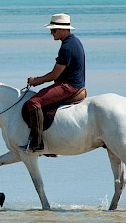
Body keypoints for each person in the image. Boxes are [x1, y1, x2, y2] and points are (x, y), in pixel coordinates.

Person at [22, 13, 86, 152]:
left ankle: (37, 143)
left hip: (69, 86)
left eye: (54, 30)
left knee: (34, 102)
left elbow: (54, 75)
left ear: (64, 29)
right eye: (51, 30)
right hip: (72, 83)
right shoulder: (74, 41)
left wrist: (36, 80)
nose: (51, 33)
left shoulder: (67, 47)